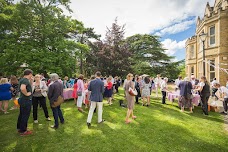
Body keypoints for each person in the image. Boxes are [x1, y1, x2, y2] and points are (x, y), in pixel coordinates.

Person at [17, 69, 33, 136]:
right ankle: (23, 130)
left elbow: (28, 87)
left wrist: (31, 81)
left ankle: (20, 128)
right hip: (25, 100)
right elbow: (23, 88)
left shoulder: (22, 79)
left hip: (22, 99)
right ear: (29, 73)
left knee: (22, 114)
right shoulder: (25, 80)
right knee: (25, 115)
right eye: (31, 74)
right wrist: (26, 94)